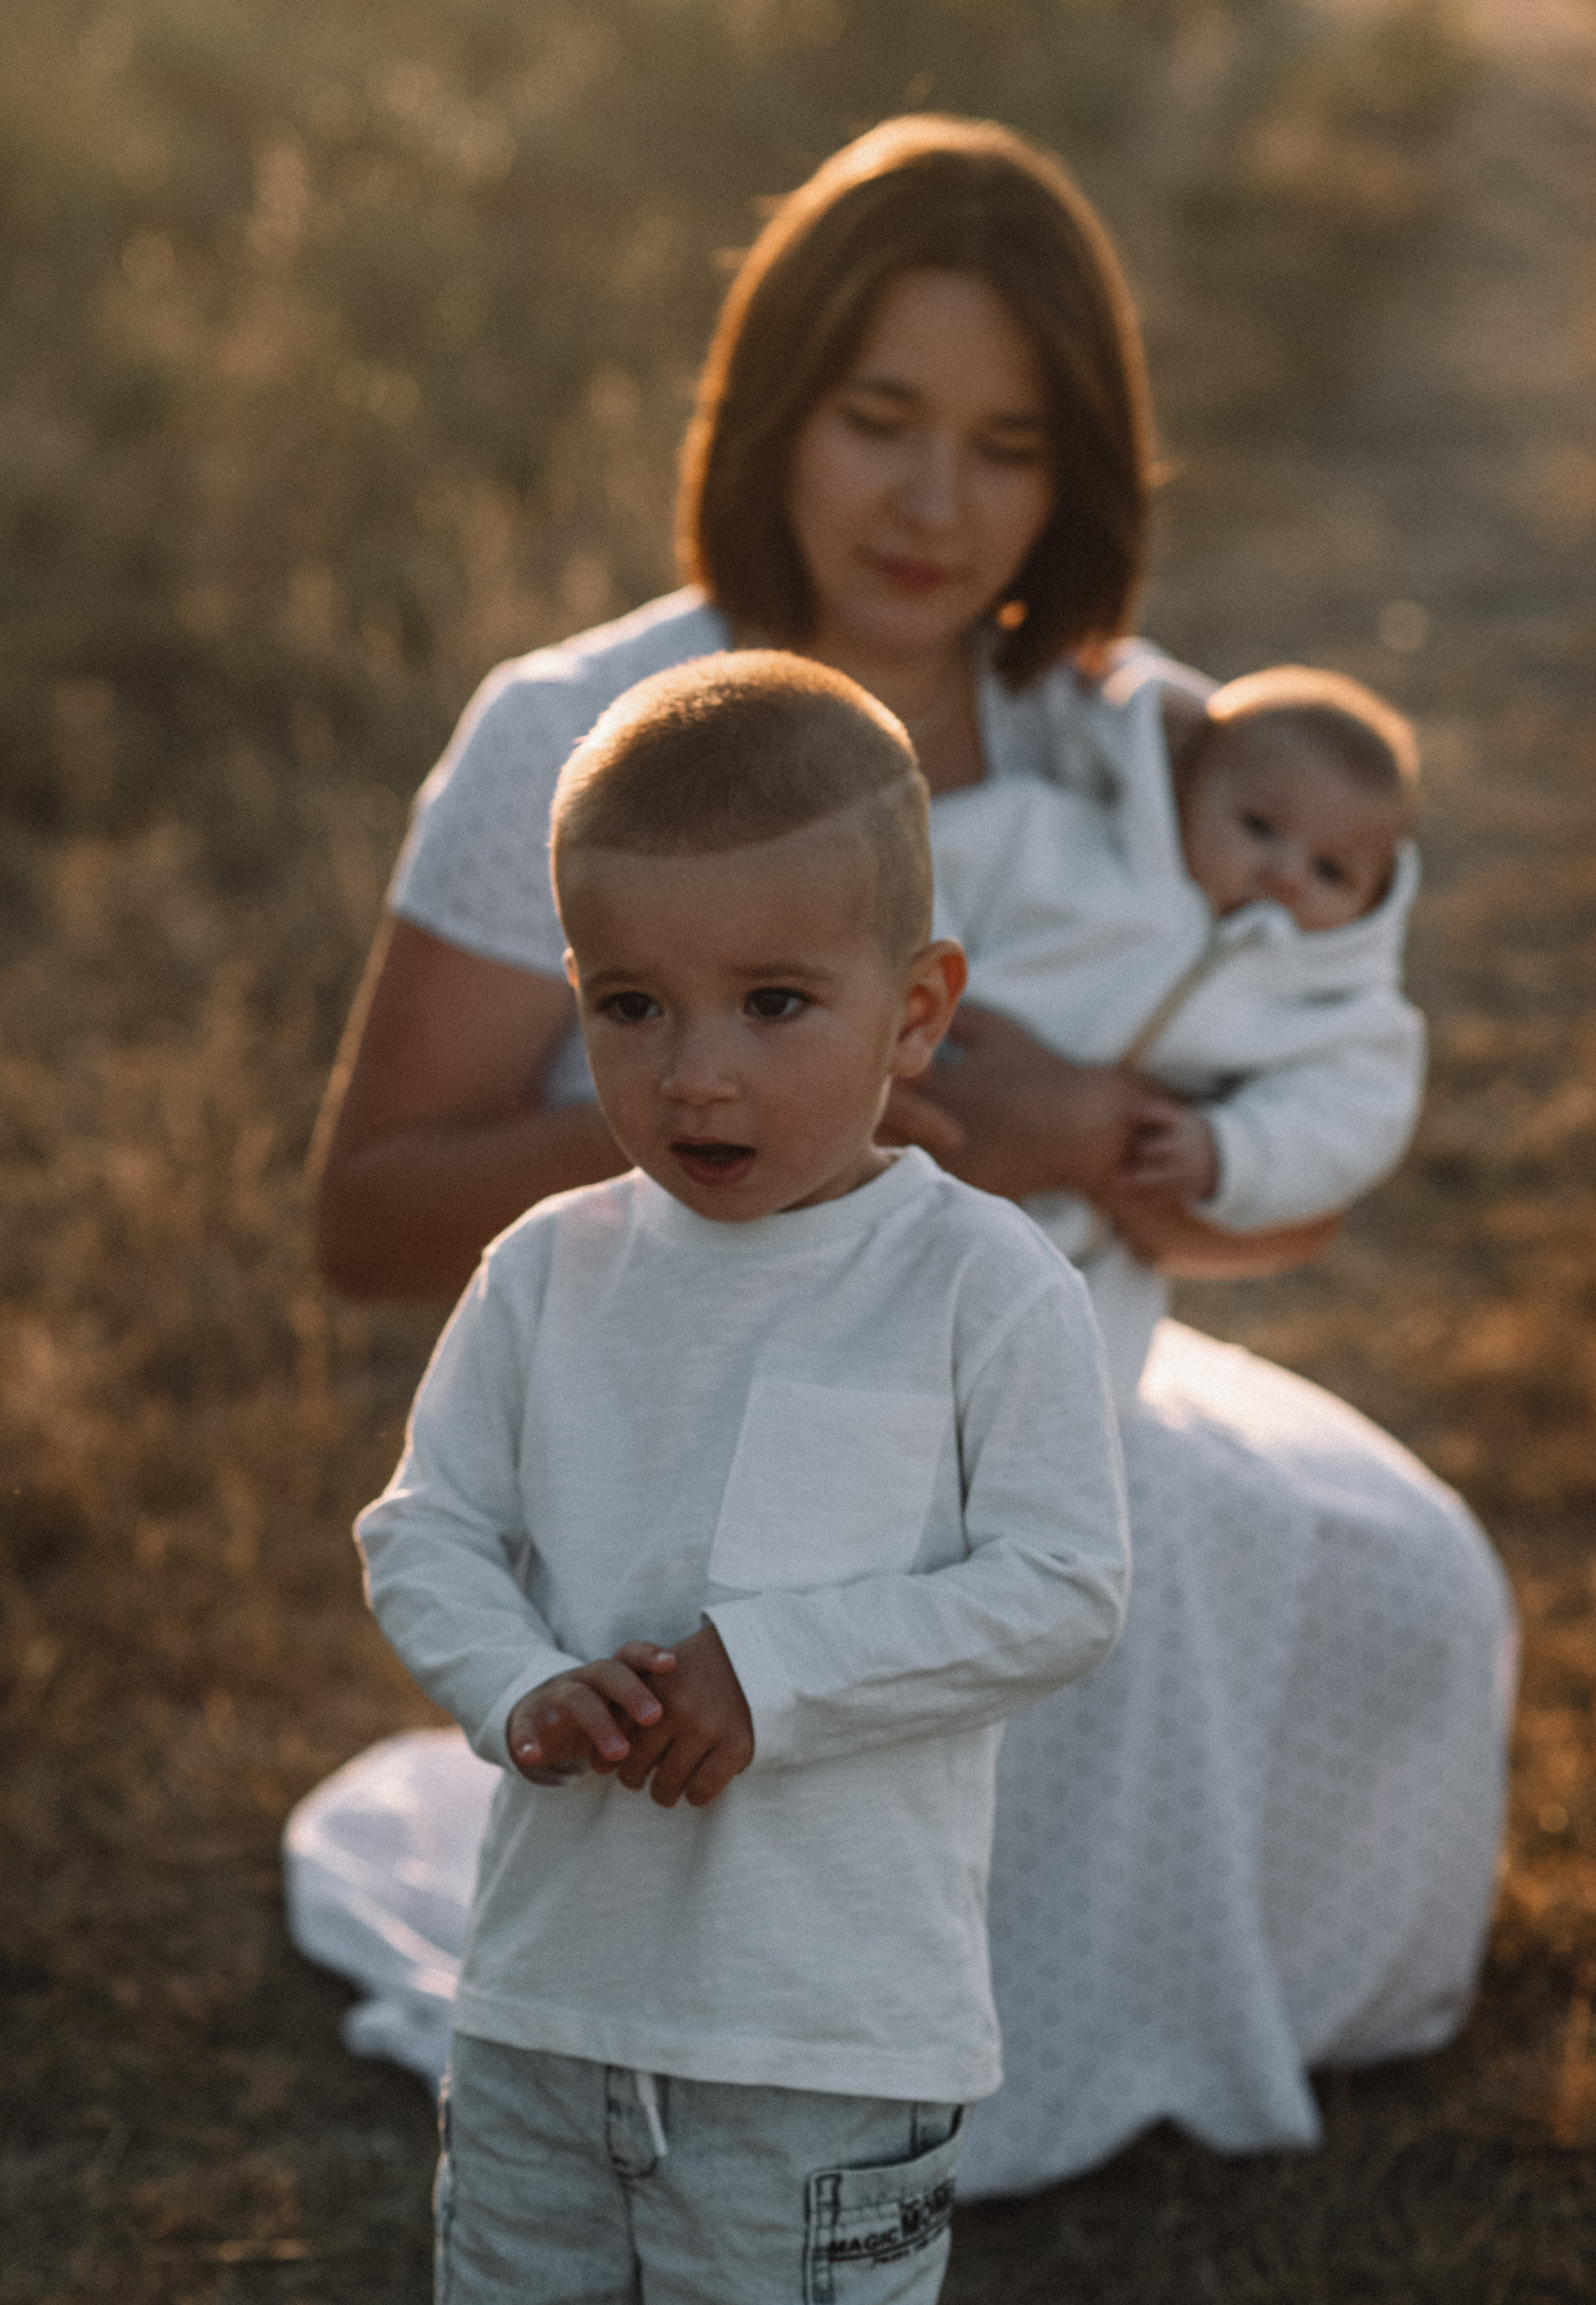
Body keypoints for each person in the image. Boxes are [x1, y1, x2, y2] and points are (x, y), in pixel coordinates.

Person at [288, 114, 1514, 2200]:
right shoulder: (572, 724)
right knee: (863, 1635)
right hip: (697, 1403)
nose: (940, 503)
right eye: (880, 418)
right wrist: (742, 1094)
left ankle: (1167, 1978)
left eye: (1011, 444)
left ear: (1083, 473)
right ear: (775, 410)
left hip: (1043, 1370)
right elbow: (370, 1214)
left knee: (1411, 1586)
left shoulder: (1151, 751)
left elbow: (1284, 1201)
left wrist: (1090, 1135)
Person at [355, 654, 1131, 2303]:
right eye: (632, 1005)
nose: (694, 1071)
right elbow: (425, 1526)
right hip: (545, 2001)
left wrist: (773, 1671)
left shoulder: (978, 1285)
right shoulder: (548, 1270)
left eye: (774, 1003)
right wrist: (520, 1687)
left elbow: (1064, 1585)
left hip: (821, 2030)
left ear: (917, 1008)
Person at [930, 664, 1427, 1407]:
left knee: (1040, 1422)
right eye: (1259, 827)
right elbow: (919, 868)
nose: (1285, 875)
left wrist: (1232, 1150)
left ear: (1377, 893)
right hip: (922, 1124)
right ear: (1183, 787)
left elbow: (1352, 1113)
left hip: (1081, 1263)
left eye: (1332, 870)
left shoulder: (1332, 1004)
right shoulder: (1052, 843)